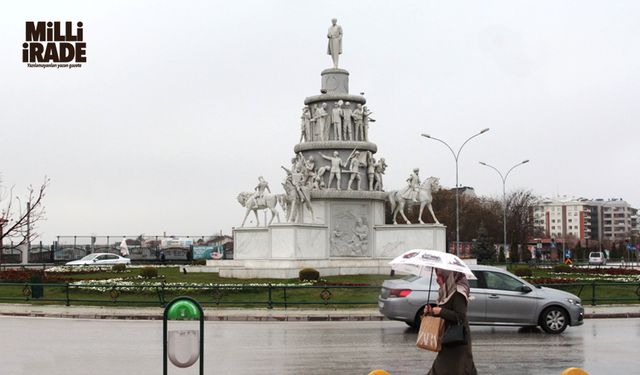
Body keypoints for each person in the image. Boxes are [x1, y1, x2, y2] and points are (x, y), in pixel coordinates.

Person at [424, 269, 477, 375]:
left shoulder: (458, 293)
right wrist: (430, 312)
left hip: (457, 340)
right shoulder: (447, 291)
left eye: (439, 276)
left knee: (459, 367)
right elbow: (444, 313)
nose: (437, 279)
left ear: (447, 276)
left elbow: (460, 316)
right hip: (447, 338)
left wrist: (441, 311)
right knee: (444, 367)